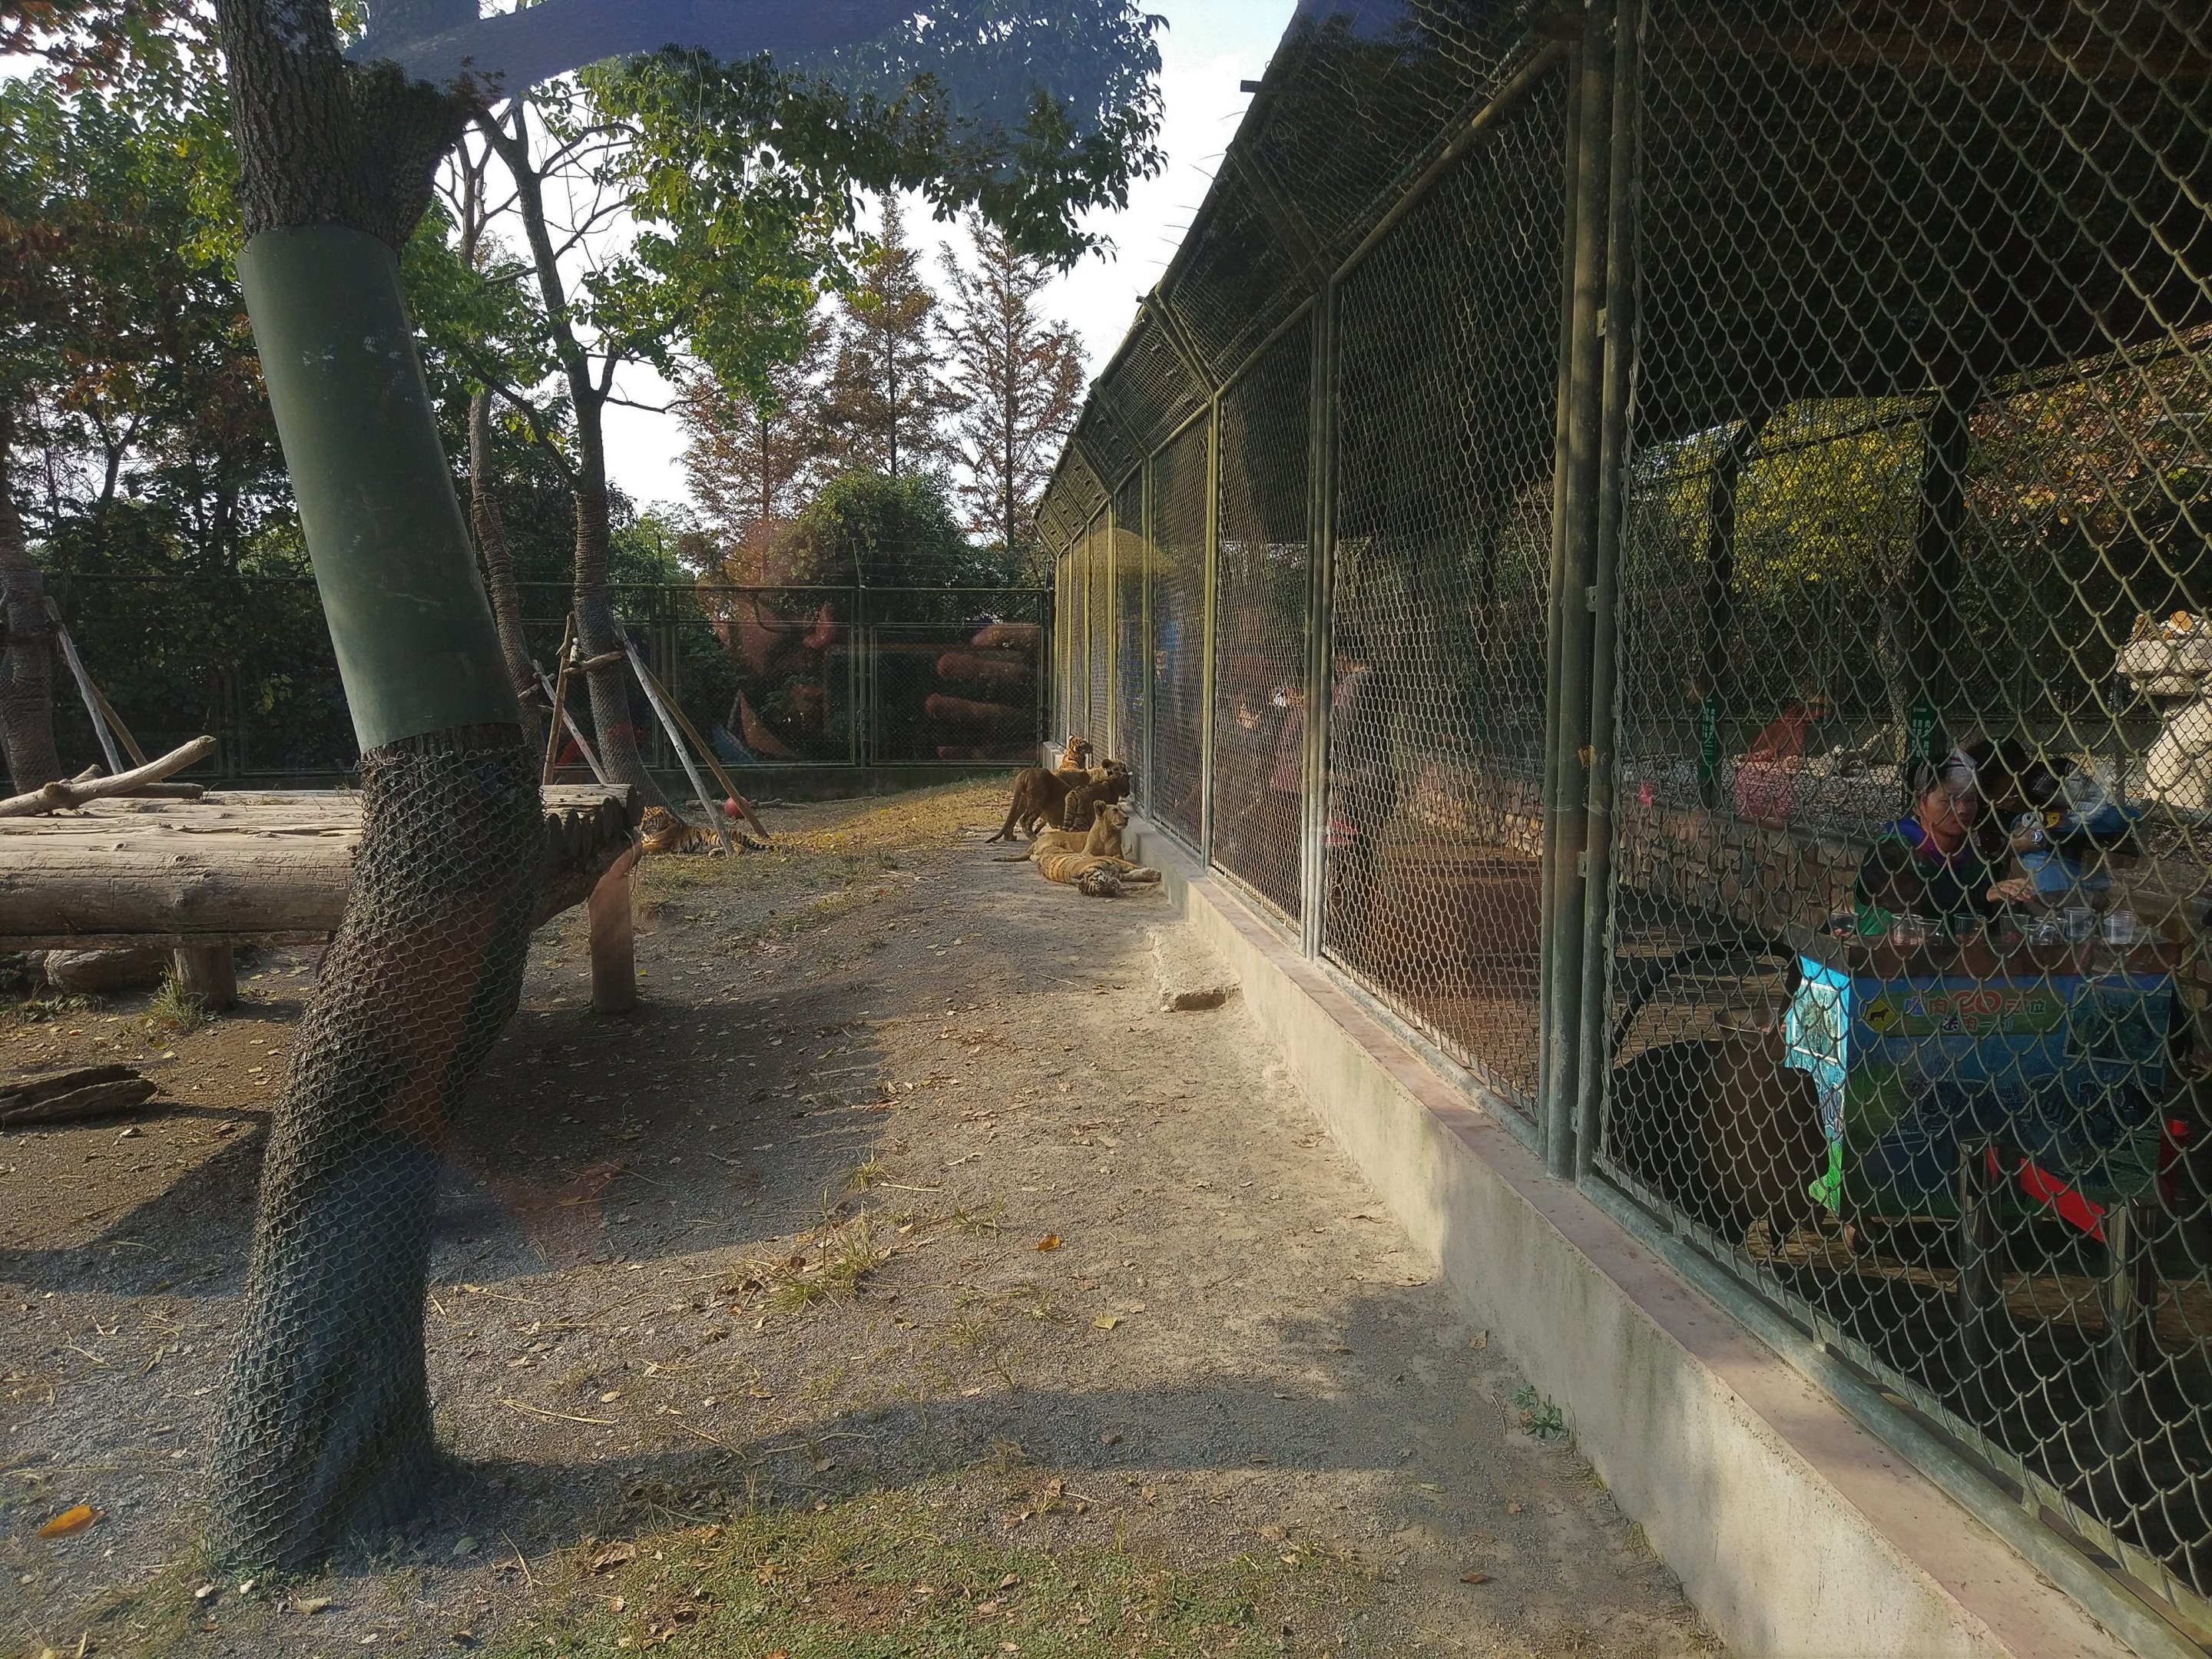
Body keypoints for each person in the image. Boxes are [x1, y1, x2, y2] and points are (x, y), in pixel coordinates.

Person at [1853, 748, 2035, 933]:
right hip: (1884, 948)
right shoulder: (1891, 849)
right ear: (1919, 804)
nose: (1962, 809)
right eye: (1949, 801)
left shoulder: (1976, 858)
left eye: (1970, 799)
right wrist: (1981, 894)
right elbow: (1907, 895)